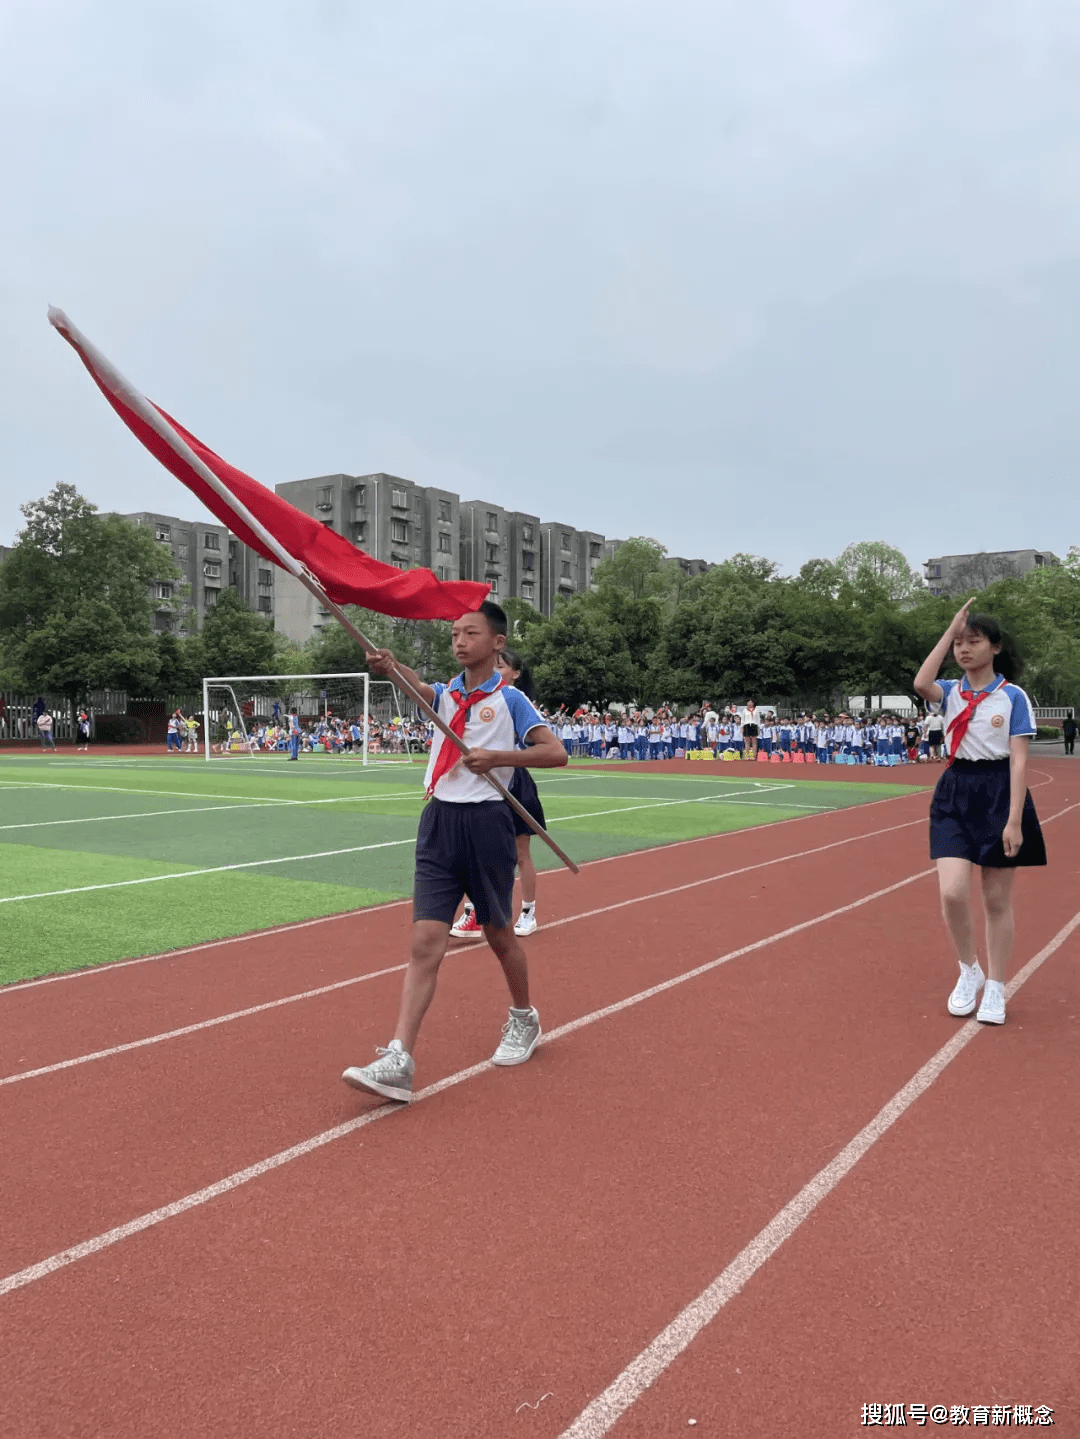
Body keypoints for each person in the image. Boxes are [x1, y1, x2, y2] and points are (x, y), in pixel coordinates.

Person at [342, 602, 568, 1102]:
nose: (460, 641)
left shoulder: (511, 702)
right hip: (439, 821)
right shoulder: (444, 696)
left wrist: (497, 756)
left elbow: (555, 752)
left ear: (497, 642)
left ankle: (523, 1017)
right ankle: (399, 1056)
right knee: (426, 940)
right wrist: (391, 666)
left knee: (499, 933)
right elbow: (415, 685)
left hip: (487, 822)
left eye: (470, 633)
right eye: (453, 635)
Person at [914, 600, 1046, 1027]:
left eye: (973, 641)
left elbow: (1019, 762)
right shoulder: (950, 692)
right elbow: (921, 682)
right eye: (959, 643)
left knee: (994, 900)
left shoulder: (1012, 696)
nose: (964, 649)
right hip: (954, 792)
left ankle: (996, 986)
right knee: (952, 892)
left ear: (995, 646)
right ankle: (968, 970)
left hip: (998, 794)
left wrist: (1013, 820)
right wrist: (949, 628)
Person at [450, 644, 546, 940]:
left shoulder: (516, 701)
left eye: (502, 666)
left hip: (513, 780)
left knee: (520, 853)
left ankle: (527, 912)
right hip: (481, 780)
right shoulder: (473, 697)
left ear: (515, 674)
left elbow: (538, 746)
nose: (496, 671)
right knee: (476, 851)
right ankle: (474, 913)